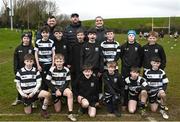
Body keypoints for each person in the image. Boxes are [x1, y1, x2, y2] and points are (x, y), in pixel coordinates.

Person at [14, 54, 50, 118]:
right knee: (28, 113)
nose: (29, 63)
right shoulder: (20, 72)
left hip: (34, 92)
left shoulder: (36, 71)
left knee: (47, 94)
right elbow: (17, 84)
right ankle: (30, 102)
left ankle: (43, 110)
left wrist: (33, 93)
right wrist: (22, 94)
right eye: (27, 61)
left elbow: (39, 83)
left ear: (33, 62)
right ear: (24, 62)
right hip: (26, 95)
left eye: (31, 61)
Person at [46, 54, 77, 121]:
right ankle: (59, 99)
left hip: (63, 88)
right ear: (54, 62)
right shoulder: (51, 70)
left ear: (63, 62)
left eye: (60, 61)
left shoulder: (66, 70)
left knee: (70, 93)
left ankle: (70, 113)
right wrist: (55, 90)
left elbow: (67, 82)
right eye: (57, 61)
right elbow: (48, 81)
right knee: (58, 110)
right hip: (55, 90)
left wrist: (61, 90)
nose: (59, 63)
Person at [120, 30, 142, 109]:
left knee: (136, 84)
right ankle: (125, 101)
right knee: (125, 85)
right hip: (125, 69)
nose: (131, 37)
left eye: (133, 35)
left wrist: (137, 67)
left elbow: (140, 56)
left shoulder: (138, 46)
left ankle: (137, 99)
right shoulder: (123, 46)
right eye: (130, 35)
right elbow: (121, 56)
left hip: (135, 69)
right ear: (128, 36)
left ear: (135, 36)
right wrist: (126, 64)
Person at [80, 28, 104, 100]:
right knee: (87, 83)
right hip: (87, 69)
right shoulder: (84, 46)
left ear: (96, 36)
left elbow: (101, 58)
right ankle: (86, 97)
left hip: (96, 69)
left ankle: (98, 98)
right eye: (90, 34)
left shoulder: (99, 46)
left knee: (97, 83)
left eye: (94, 34)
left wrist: (101, 70)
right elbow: (82, 58)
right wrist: (82, 68)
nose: (92, 36)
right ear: (88, 36)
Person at [12, 33, 34, 106]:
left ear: (29, 39)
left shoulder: (32, 48)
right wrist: (16, 70)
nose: (26, 40)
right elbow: (15, 60)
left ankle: (33, 100)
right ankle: (19, 99)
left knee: (31, 84)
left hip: (30, 70)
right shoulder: (18, 48)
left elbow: (34, 59)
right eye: (24, 38)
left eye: (27, 38)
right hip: (20, 70)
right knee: (20, 84)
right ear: (22, 39)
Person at [34, 26, 55, 91]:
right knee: (42, 80)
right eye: (43, 33)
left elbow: (53, 53)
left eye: (47, 33)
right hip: (41, 64)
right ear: (41, 34)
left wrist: (52, 64)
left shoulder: (51, 42)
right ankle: (44, 97)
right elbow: (36, 54)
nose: (45, 34)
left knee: (50, 79)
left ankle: (52, 95)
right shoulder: (38, 42)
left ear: (49, 34)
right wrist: (38, 65)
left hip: (49, 64)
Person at [69, 29, 85, 94]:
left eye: (81, 35)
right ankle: (75, 95)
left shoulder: (86, 45)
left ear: (84, 36)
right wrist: (70, 64)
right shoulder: (73, 45)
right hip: (75, 66)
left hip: (83, 66)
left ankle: (82, 94)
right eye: (78, 35)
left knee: (82, 81)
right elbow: (71, 56)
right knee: (74, 81)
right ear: (76, 36)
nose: (80, 36)